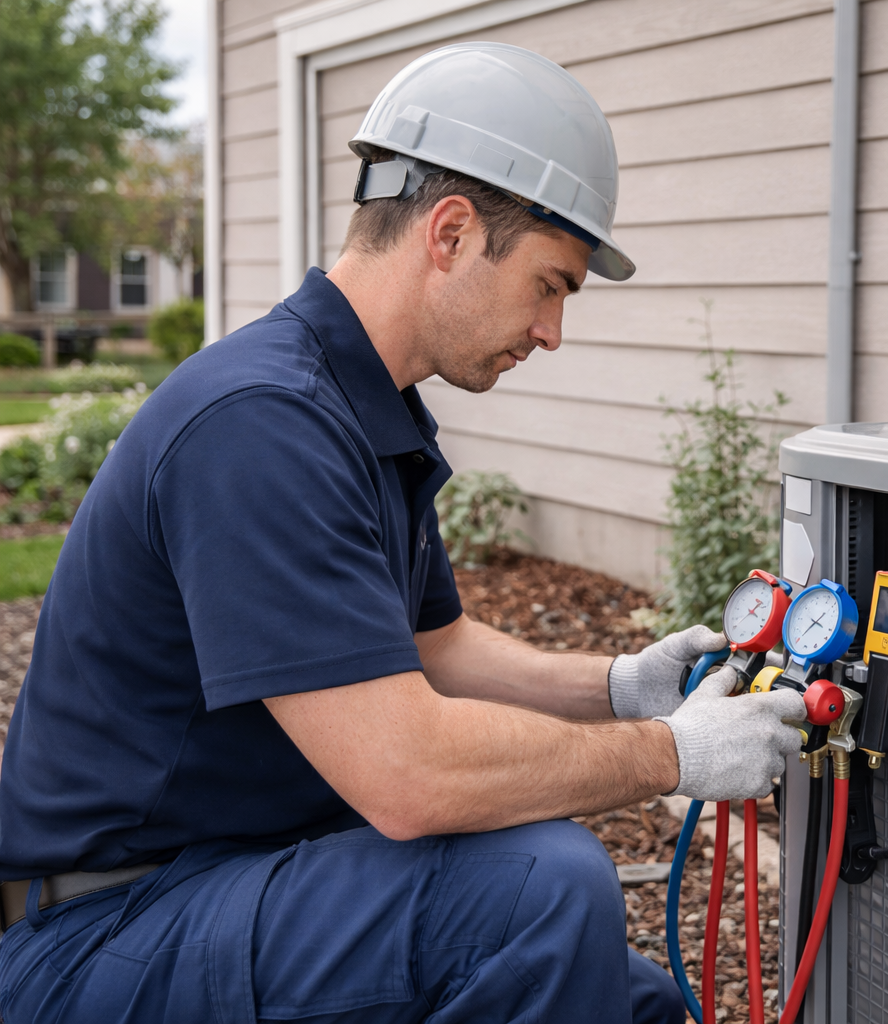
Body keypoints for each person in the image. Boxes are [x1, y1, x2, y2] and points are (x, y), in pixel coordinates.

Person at [0, 42, 806, 1023]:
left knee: (631, 1000)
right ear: (453, 232)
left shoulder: (362, 409)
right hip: (107, 929)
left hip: (234, 876)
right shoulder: (259, 423)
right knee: (538, 892)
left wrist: (615, 683)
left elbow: (431, 646)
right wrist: (668, 753)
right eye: (552, 285)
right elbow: (409, 774)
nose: (551, 332)